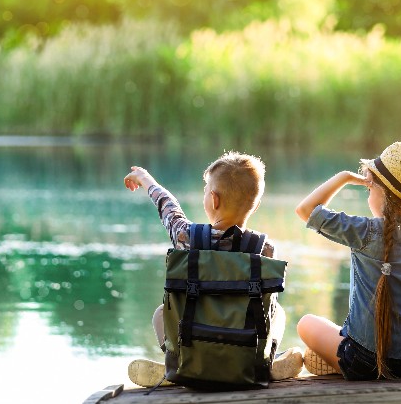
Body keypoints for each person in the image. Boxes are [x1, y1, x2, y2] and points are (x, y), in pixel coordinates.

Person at [123, 151, 303, 387]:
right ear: (256, 205)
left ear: (214, 199)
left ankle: (178, 364)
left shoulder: (186, 237)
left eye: (206, 191)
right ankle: (264, 364)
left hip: (194, 346)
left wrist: (146, 179)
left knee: (161, 313)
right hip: (244, 353)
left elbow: (168, 207)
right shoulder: (265, 249)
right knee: (277, 312)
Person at [294, 142, 401, 380]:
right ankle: (400, 362)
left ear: (381, 191)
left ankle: (336, 362)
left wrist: (343, 178)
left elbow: (306, 209)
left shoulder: (366, 232)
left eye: (369, 190)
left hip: (364, 362)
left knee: (306, 323)